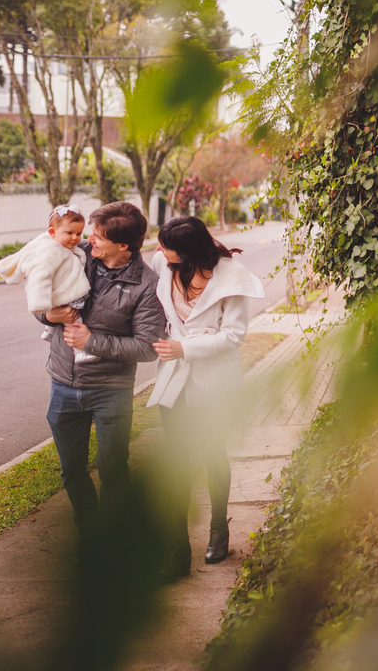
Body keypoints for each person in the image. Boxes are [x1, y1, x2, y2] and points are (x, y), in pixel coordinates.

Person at [40, 201, 166, 544]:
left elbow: (145, 346)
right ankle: (91, 533)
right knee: (71, 470)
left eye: (98, 235)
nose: (88, 239)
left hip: (111, 389)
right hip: (63, 384)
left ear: (123, 245)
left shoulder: (146, 286)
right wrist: (47, 317)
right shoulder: (76, 256)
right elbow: (41, 294)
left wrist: (92, 341)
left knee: (112, 469)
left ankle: (111, 540)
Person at [147, 216, 263, 579]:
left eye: (166, 245)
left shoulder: (231, 277)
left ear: (189, 250)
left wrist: (185, 348)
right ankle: (177, 553)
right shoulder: (163, 264)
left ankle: (219, 530)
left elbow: (234, 336)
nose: (159, 250)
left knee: (214, 455)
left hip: (214, 381)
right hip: (174, 383)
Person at [0, 203, 98, 363]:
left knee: (60, 313)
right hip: (64, 294)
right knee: (74, 320)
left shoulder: (61, 245)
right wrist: (39, 304)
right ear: (52, 232)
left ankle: (49, 331)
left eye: (79, 233)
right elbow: (39, 277)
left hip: (60, 291)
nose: (75, 238)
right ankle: (80, 352)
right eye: (69, 233)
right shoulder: (50, 251)